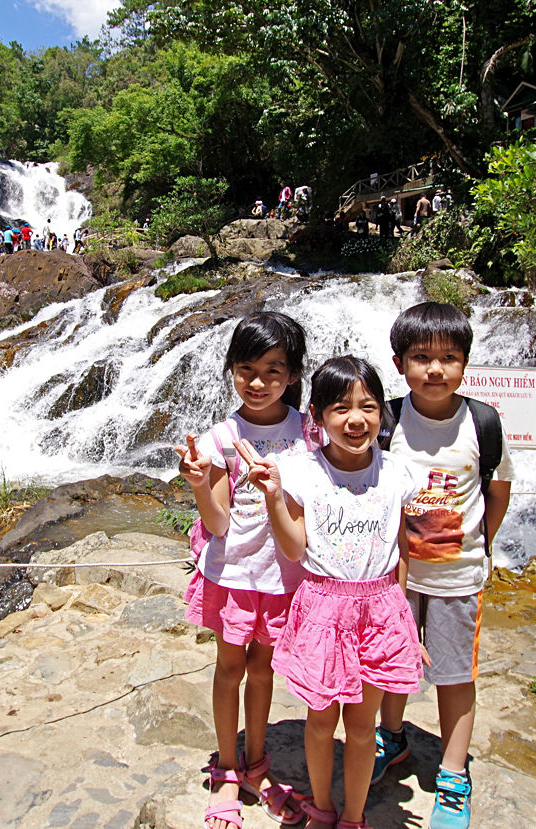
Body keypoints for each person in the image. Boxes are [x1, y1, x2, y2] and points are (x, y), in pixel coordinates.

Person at [242, 356, 423, 829]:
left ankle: (355, 815)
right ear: (318, 416)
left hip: (381, 611)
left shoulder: (398, 472)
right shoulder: (301, 471)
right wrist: (274, 498)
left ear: (382, 412)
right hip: (324, 609)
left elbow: (401, 549)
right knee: (321, 723)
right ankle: (322, 808)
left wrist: (403, 618)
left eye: (368, 406)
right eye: (341, 408)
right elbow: (294, 547)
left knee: (363, 729)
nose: (356, 419)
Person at [371, 302, 514, 829]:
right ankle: (392, 739)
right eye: (421, 357)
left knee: (456, 674)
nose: (435, 369)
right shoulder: (387, 419)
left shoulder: (482, 422)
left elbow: (497, 492)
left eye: (448, 358)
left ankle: (454, 774)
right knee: (391, 667)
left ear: (466, 363)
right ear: (398, 362)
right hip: (394, 576)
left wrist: (480, 545)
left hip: (458, 577)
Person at [174, 312, 311, 829]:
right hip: (233, 575)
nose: (259, 382)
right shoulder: (219, 439)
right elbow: (218, 520)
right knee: (230, 668)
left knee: (263, 669)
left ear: (294, 375)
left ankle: (258, 764)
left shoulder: (309, 432)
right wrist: (197, 482)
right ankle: (227, 768)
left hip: (282, 576)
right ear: (231, 369)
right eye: (247, 368)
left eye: (274, 370)